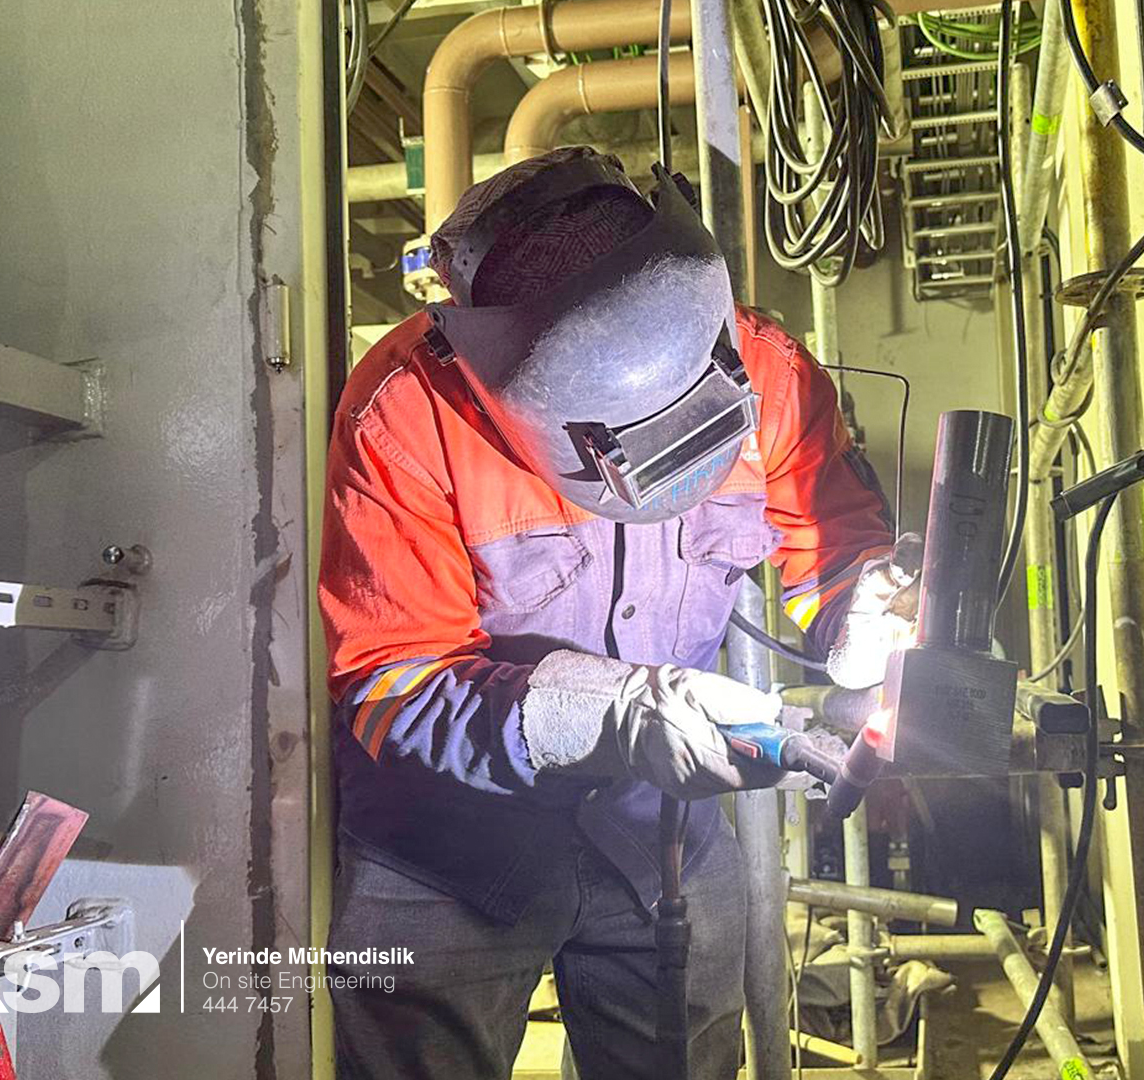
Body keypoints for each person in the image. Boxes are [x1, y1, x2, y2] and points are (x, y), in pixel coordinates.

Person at [317, 146, 914, 1078]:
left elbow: (827, 543)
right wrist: (611, 714)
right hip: (445, 851)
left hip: (660, 833)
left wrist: (861, 605)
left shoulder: (769, 370)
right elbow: (390, 679)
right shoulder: (407, 415)